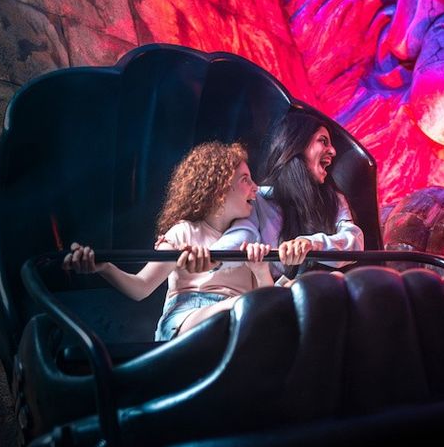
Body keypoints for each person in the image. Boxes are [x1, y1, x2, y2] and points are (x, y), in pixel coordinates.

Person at [62, 141, 282, 341]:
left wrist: (261, 270)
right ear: (220, 189)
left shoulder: (250, 241)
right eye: (245, 179)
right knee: (244, 307)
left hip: (236, 326)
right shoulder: (182, 232)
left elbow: (267, 304)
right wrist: (105, 267)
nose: (255, 187)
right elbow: (141, 287)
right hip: (187, 319)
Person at [211, 110, 364, 284]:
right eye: (323, 141)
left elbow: (354, 241)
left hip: (323, 292)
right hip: (279, 299)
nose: (333, 151)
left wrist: (310, 243)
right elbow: (242, 235)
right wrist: (211, 258)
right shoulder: (258, 199)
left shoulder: (334, 199)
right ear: (296, 144)